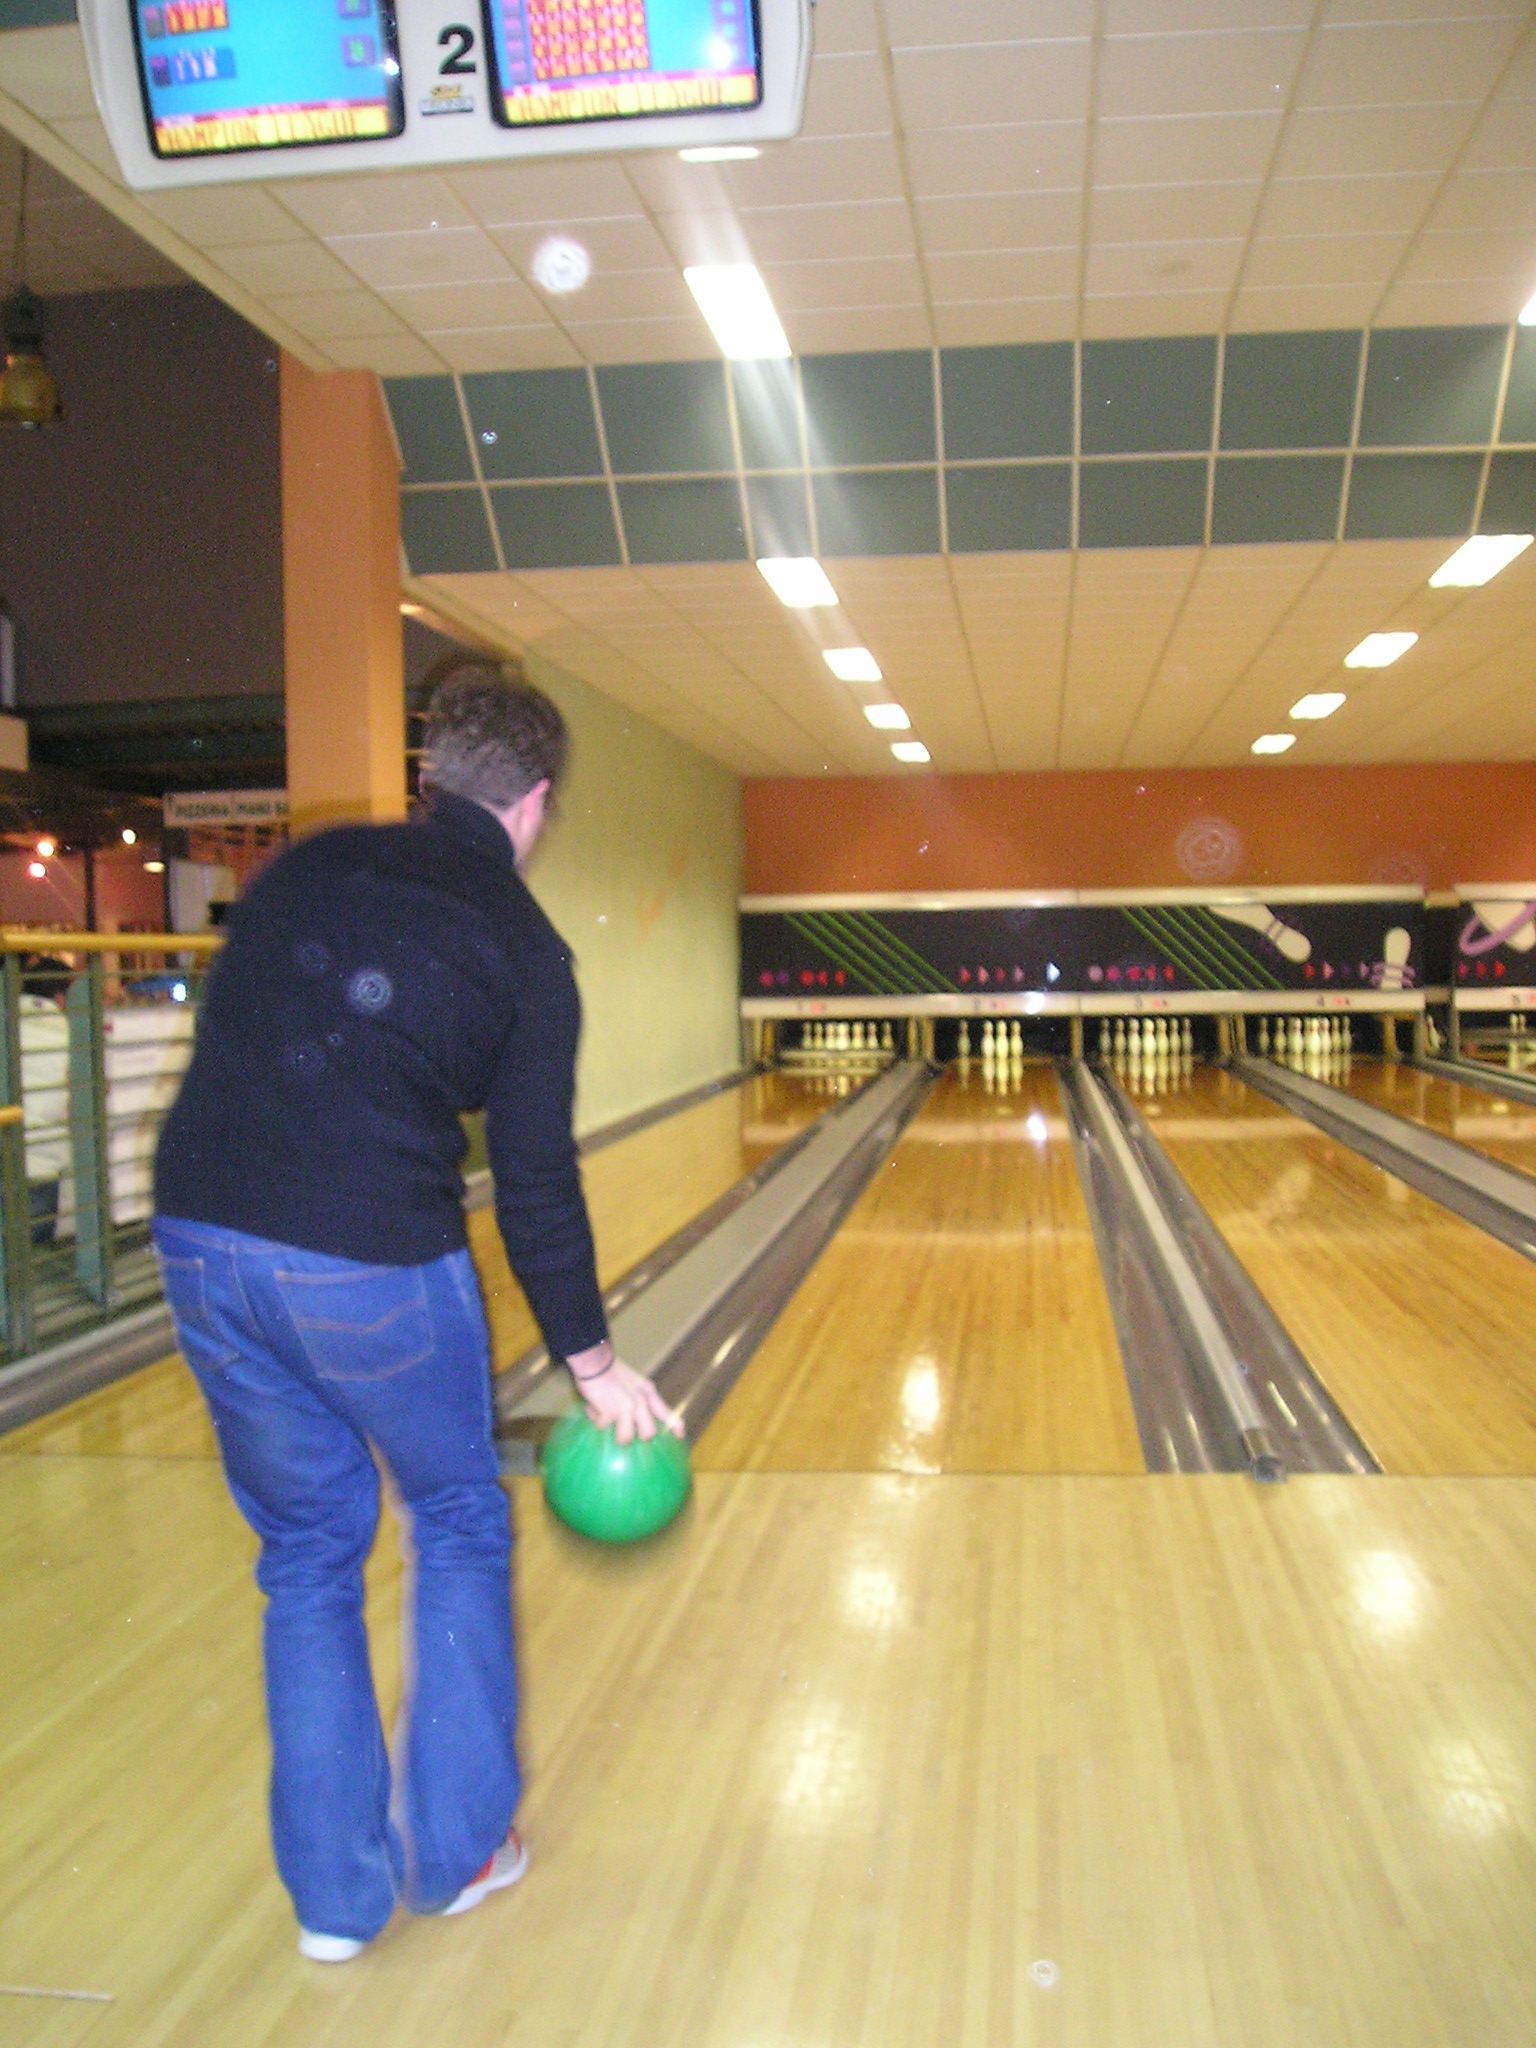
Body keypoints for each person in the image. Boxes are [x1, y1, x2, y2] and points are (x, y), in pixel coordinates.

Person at [152, 656, 680, 1964]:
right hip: (369, 1254)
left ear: (431, 770)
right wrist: (595, 1365)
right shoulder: (529, 950)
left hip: (199, 1232)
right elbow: (537, 1184)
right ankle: (456, 1854)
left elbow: (250, 1036)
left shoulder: (311, 867)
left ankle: (333, 1906)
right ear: (535, 801)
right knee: (453, 1518)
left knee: (306, 1554)